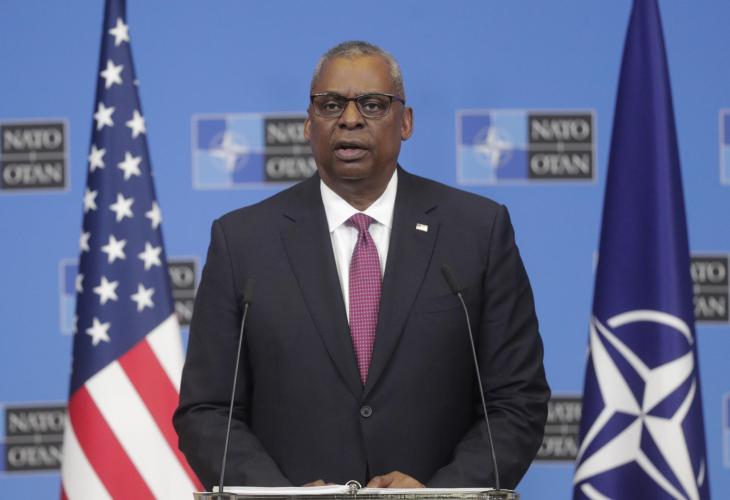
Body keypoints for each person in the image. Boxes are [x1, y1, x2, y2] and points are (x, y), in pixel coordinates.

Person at [174, 40, 550, 491]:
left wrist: (438, 495)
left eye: (373, 105)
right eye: (331, 104)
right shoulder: (242, 242)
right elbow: (207, 411)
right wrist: (282, 497)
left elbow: (517, 402)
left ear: (405, 122)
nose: (350, 119)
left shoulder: (477, 232)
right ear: (308, 123)